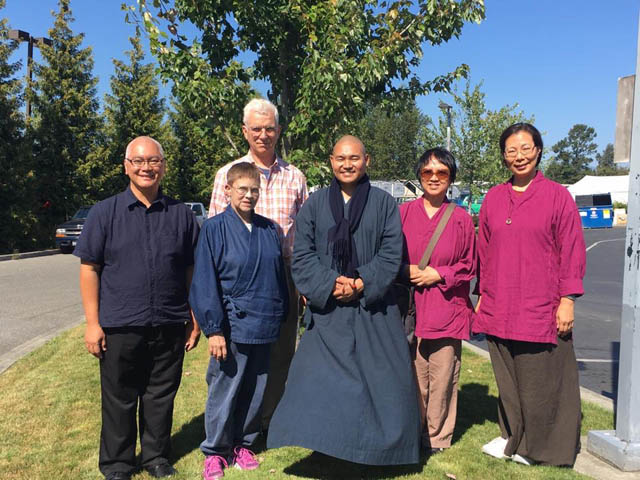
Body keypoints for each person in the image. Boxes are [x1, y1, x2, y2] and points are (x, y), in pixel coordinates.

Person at [267, 135, 421, 465]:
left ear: (367, 161)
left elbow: (391, 251)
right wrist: (330, 283)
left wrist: (362, 282)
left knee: (381, 382)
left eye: (354, 158)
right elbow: (303, 253)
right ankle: (328, 448)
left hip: (372, 307)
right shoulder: (316, 204)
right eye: (340, 158)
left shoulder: (383, 204)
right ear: (331, 161)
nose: (347, 164)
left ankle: (378, 450)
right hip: (330, 309)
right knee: (318, 381)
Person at [75, 136, 201, 480]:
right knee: (119, 398)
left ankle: (156, 457)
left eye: (154, 161)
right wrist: (92, 323)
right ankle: (117, 464)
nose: (147, 168)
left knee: (160, 396)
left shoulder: (182, 215)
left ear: (163, 165)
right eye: (139, 162)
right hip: (119, 323)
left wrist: (193, 314)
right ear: (126, 166)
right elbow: (89, 268)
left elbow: (190, 269)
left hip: (170, 320)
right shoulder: (104, 213)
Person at [474, 123, 586, 467]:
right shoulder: (494, 197)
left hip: (542, 304)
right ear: (503, 156)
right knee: (507, 376)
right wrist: (481, 294)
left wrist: (567, 299)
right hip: (500, 302)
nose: (518, 156)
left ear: (538, 150)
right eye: (511, 150)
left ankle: (544, 448)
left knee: (543, 380)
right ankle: (512, 435)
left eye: (525, 148)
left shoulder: (557, 196)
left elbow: (572, 249)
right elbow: (484, 250)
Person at [208, 98, 308, 432]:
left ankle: (270, 422)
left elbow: (305, 234)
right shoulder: (228, 173)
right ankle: (231, 422)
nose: (263, 135)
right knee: (234, 356)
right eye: (256, 129)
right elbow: (214, 236)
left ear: (278, 131)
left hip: (283, 276)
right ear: (245, 131)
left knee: (279, 355)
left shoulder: (295, 177)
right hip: (237, 280)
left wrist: (303, 282)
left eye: (269, 128)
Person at [190, 162, 289, 480]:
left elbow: (277, 278)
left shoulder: (270, 229)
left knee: (256, 388)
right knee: (224, 389)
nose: (249, 195)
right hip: (231, 325)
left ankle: (243, 444)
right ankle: (215, 451)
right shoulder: (214, 228)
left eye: (254, 190)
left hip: (264, 322)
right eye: (242, 189)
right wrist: (213, 329)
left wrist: (281, 314)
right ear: (228, 190)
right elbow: (204, 281)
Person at [399, 148, 476, 454]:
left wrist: (439, 274)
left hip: (447, 308)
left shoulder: (460, 218)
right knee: (414, 374)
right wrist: (405, 270)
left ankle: (437, 437)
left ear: (450, 178)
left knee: (443, 376)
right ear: (419, 176)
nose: (434, 178)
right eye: (428, 172)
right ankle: (414, 429)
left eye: (441, 173)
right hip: (411, 307)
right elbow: (388, 253)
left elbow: (470, 264)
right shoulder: (403, 212)